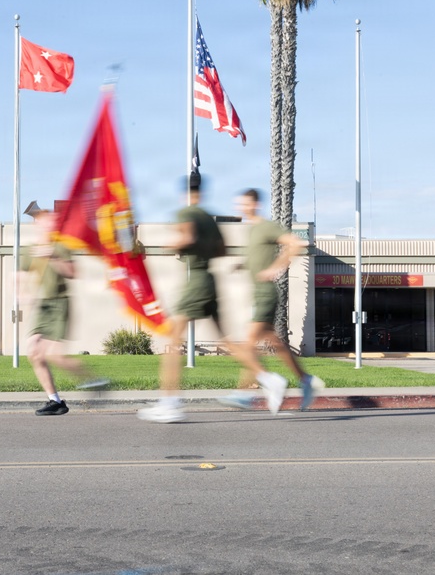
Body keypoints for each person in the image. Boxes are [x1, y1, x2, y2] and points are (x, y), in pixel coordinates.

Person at [137, 176, 288, 423]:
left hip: (196, 280)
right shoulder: (208, 217)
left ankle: (170, 404)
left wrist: (173, 245)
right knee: (226, 340)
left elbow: (187, 239)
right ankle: (269, 378)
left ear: (184, 192)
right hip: (210, 279)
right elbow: (222, 249)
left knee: (173, 339)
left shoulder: (186, 213)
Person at [218, 188, 325, 411]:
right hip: (258, 294)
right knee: (275, 343)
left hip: (265, 294)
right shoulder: (252, 230)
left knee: (248, 345)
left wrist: (275, 269)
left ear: (255, 204)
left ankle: (247, 392)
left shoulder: (266, 226)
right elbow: (257, 258)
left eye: (245, 203)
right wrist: (243, 265)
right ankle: (306, 381)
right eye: (239, 204)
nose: (241, 208)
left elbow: (294, 243)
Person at [20, 202, 108, 416]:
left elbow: (72, 272)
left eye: (50, 223)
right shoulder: (30, 251)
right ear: (36, 225)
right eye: (42, 223)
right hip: (43, 306)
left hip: (60, 303)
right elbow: (20, 275)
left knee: (55, 356)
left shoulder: (60, 247)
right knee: (34, 352)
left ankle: (94, 380)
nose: (46, 226)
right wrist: (21, 293)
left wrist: (53, 256)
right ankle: (55, 401)